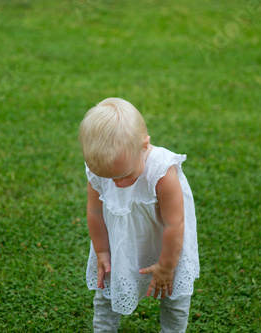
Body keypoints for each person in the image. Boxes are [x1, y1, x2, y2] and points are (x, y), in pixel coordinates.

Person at [78, 97, 200, 333]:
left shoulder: (162, 172)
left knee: (173, 295)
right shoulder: (99, 169)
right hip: (119, 242)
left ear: (144, 146)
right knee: (107, 291)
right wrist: (102, 251)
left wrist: (166, 265)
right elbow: (94, 211)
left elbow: (175, 224)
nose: (117, 184)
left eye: (125, 175)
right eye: (110, 178)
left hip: (166, 242)